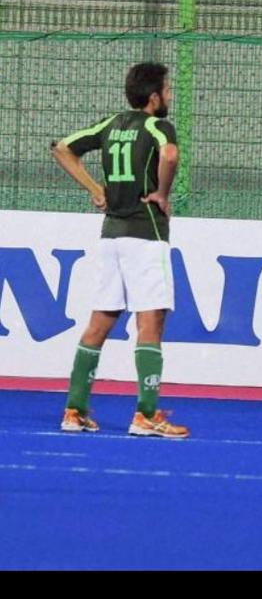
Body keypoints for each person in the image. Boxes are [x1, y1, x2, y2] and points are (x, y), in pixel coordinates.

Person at [51, 62, 190, 438]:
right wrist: (162, 193)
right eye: (168, 90)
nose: (170, 96)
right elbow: (170, 155)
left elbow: (63, 148)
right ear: (153, 97)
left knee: (99, 322)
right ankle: (146, 414)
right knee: (150, 322)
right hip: (145, 233)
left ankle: (74, 410)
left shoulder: (112, 124)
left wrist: (96, 190)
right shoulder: (157, 126)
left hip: (111, 235)